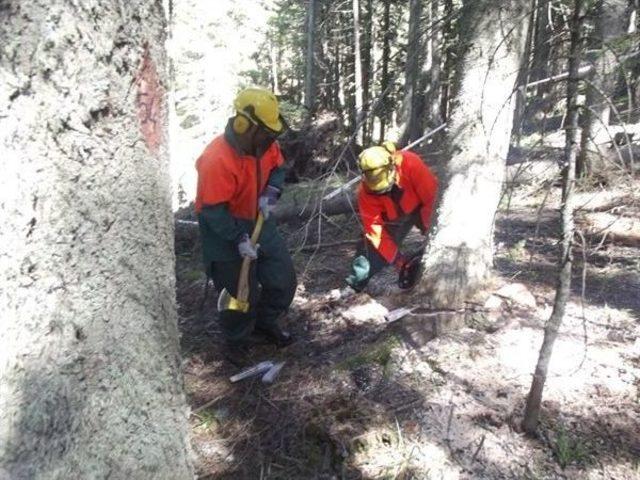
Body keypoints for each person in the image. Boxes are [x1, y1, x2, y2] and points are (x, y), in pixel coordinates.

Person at [195, 87, 296, 347]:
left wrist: (272, 191)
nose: (268, 139)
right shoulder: (216, 159)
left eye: (270, 133)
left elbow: (278, 167)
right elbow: (213, 211)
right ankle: (237, 340)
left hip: (260, 222)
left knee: (282, 279)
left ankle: (266, 322)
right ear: (243, 125)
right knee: (237, 294)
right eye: (264, 132)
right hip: (224, 229)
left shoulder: (266, 146)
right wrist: (238, 238)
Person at [346, 142, 438, 292]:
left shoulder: (411, 164)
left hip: (420, 205)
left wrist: (432, 235)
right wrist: (399, 262)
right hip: (391, 217)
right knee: (370, 251)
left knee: (437, 230)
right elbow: (376, 234)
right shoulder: (365, 193)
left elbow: (432, 200)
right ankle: (353, 286)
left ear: (392, 166)